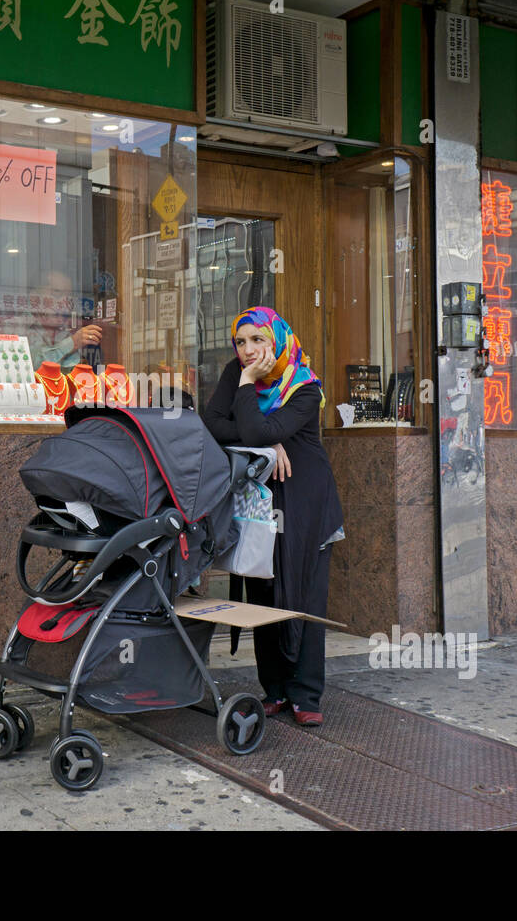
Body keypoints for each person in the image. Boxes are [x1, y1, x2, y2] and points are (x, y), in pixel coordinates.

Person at [201, 306, 344, 726]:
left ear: (277, 339)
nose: (248, 350)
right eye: (241, 342)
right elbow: (211, 424)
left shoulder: (304, 385)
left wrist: (261, 433)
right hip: (261, 502)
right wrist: (263, 437)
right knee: (262, 589)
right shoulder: (237, 372)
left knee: (304, 594)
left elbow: (259, 431)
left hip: (307, 502)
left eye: (258, 340)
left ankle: (306, 695)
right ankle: (277, 689)